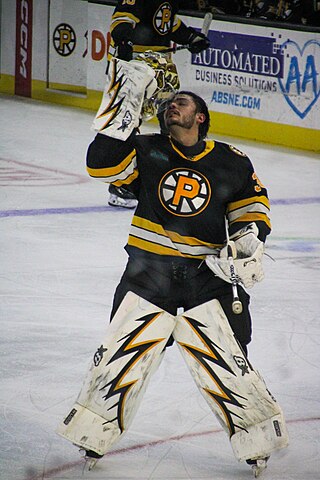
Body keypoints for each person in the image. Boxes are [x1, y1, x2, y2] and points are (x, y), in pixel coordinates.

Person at [57, 86, 289, 475]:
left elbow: (250, 206)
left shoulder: (230, 160)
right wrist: (125, 111)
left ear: (200, 116)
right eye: (167, 105)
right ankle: (93, 435)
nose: (171, 108)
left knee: (230, 361)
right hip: (148, 273)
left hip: (207, 277)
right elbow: (101, 166)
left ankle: (256, 441)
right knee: (122, 357)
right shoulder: (146, 150)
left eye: (181, 103)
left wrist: (249, 239)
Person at [106, 0, 210, 208]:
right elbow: (121, 20)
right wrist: (124, 43)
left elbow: (166, 22)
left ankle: (169, 176)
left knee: (172, 121)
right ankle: (121, 184)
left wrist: (191, 37)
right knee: (127, 122)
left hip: (161, 65)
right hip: (133, 65)